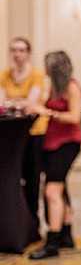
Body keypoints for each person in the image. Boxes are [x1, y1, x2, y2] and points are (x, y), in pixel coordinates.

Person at [28, 51, 81, 260]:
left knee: (52, 191)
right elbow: (39, 103)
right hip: (50, 144)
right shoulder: (51, 87)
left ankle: (52, 244)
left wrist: (49, 113)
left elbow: (75, 117)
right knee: (61, 190)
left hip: (67, 144)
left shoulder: (72, 87)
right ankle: (66, 235)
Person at [0, 36, 47, 239]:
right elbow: (2, 103)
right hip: (11, 135)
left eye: (21, 50)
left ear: (28, 53)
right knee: (12, 178)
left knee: (32, 178)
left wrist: (15, 102)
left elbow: (31, 104)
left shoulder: (36, 76)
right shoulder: (4, 75)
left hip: (34, 133)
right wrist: (17, 102)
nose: (17, 54)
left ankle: (33, 225)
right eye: (14, 50)